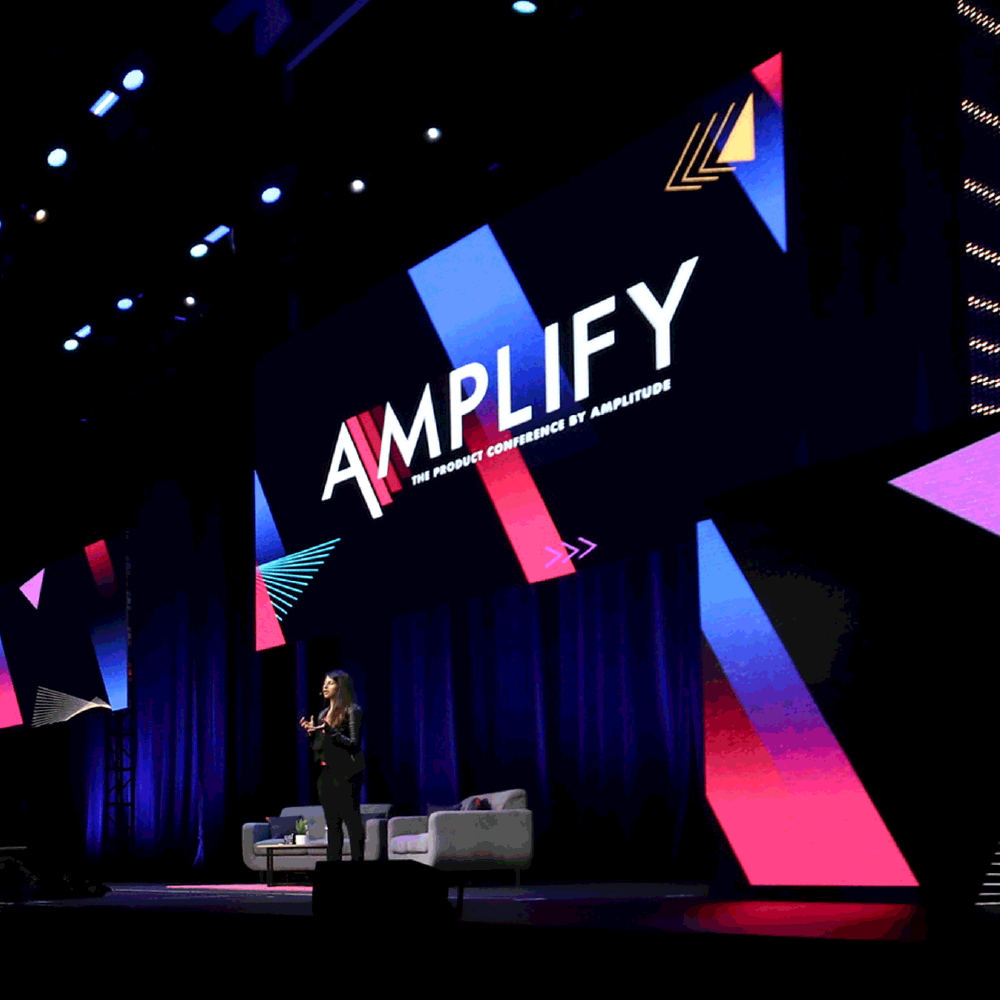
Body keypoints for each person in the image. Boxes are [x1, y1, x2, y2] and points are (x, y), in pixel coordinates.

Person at [299, 671, 366, 863]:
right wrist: (312, 734)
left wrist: (331, 731)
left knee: (352, 823)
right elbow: (319, 748)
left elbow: (353, 743)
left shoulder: (353, 710)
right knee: (332, 825)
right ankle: (333, 873)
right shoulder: (322, 714)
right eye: (324, 683)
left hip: (346, 774)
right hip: (326, 775)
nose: (324, 687)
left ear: (340, 686)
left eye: (330, 683)